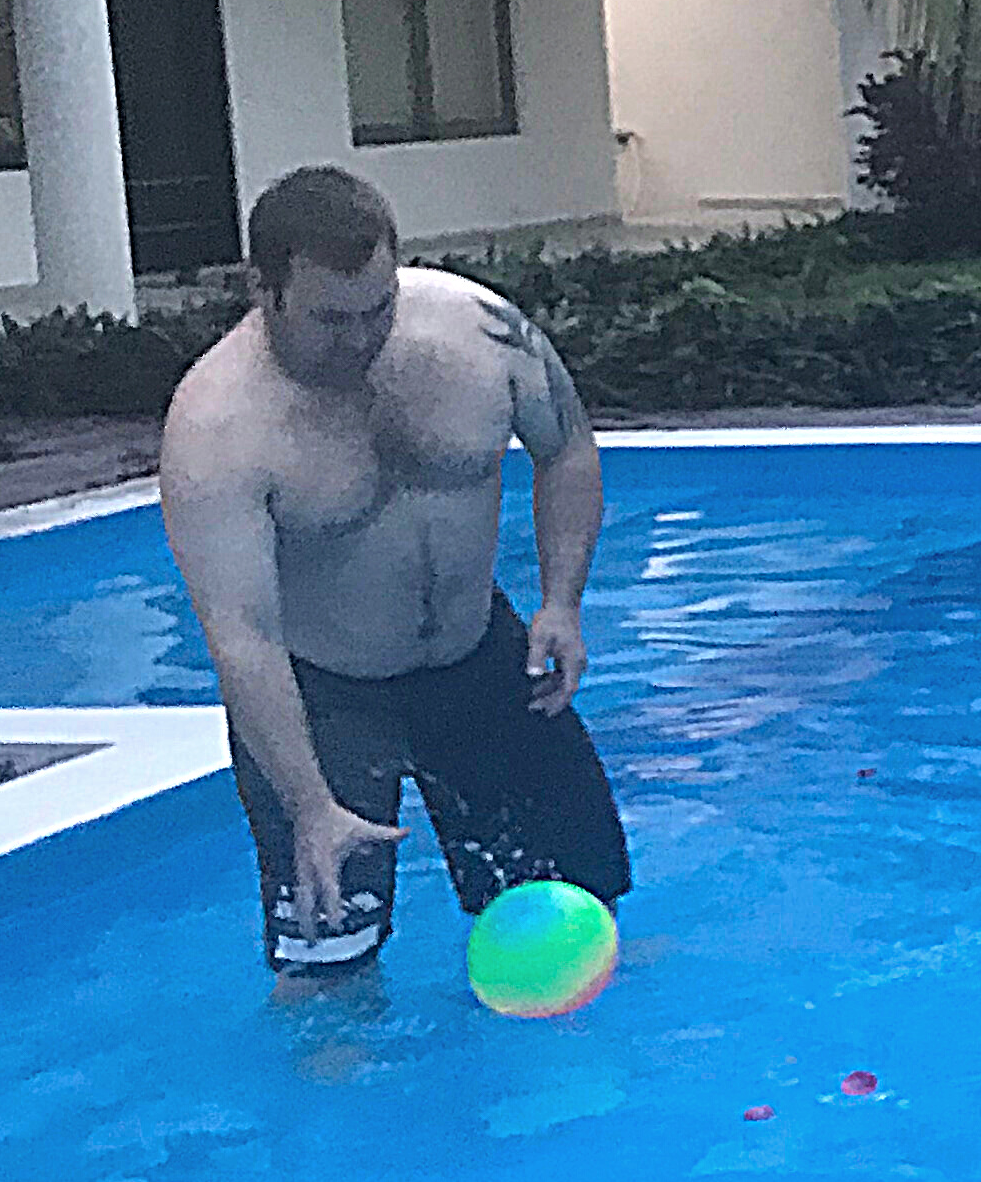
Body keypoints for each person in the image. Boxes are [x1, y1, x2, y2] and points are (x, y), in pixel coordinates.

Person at [157, 167, 630, 974]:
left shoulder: (478, 331)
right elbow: (245, 641)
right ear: (261, 288)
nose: (360, 337)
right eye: (330, 319)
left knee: (578, 920)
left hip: (480, 657)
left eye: (380, 307)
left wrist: (561, 601)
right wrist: (310, 805)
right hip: (325, 696)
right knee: (327, 972)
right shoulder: (217, 428)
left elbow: (568, 448)